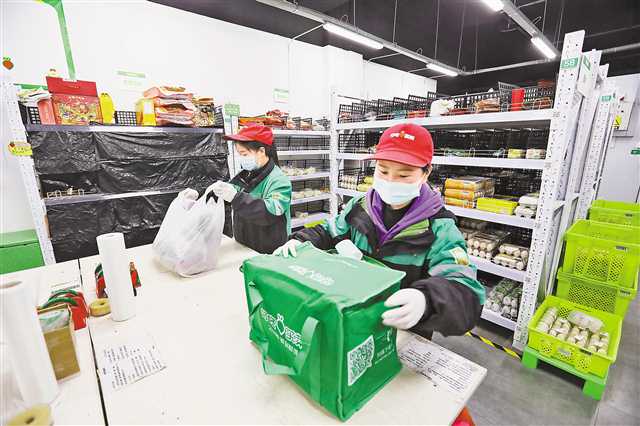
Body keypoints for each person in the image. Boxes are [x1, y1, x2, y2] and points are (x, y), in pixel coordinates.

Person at [274, 123, 485, 337]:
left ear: (426, 173)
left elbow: (466, 291)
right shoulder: (360, 206)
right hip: (354, 318)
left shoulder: (439, 228)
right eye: (383, 171)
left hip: (400, 334)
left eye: (404, 175)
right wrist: (300, 240)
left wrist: (427, 300)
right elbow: (329, 231)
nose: (390, 181)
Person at [212, 124, 292, 254]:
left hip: (269, 251)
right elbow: (230, 195)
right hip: (245, 245)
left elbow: (270, 213)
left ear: (261, 151)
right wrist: (211, 193)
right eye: (239, 154)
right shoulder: (247, 174)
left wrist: (236, 197)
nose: (241, 159)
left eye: (244, 154)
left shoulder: (279, 180)